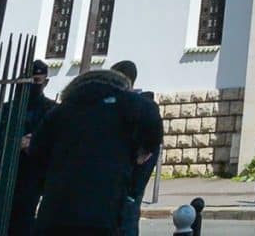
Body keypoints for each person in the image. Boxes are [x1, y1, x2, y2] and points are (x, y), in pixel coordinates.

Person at [27, 63, 164, 236]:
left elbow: (37, 150)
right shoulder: (129, 104)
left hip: (57, 209)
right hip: (105, 209)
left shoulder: (63, 110)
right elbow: (153, 126)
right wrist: (143, 152)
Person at [5, 61, 56, 236]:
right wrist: (14, 142)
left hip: (33, 177)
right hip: (3, 176)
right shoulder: (7, 109)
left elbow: (57, 145)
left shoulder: (53, 111)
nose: (32, 86)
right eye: (28, 81)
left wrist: (35, 142)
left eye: (36, 80)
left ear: (45, 82)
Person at [110, 61, 160, 236]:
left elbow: (147, 152)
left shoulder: (137, 110)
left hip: (126, 189)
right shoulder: (139, 109)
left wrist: (132, 191)